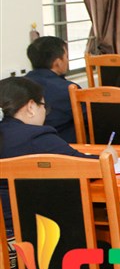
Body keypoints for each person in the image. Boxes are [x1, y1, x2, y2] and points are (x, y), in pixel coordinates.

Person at [0, 77, 96, 237]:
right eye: (44, 106)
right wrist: (110, 158)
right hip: (31, 237)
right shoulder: (36, 137)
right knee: (105, 245)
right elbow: (88, 167)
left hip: (5, 240)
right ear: (31, 107)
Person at [24, 36, 79, 142]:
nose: (67, 60)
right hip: (63, 144)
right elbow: (90, 119)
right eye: (66, 56)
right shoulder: (68, 89)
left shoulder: (18, 86)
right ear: (57, 62)